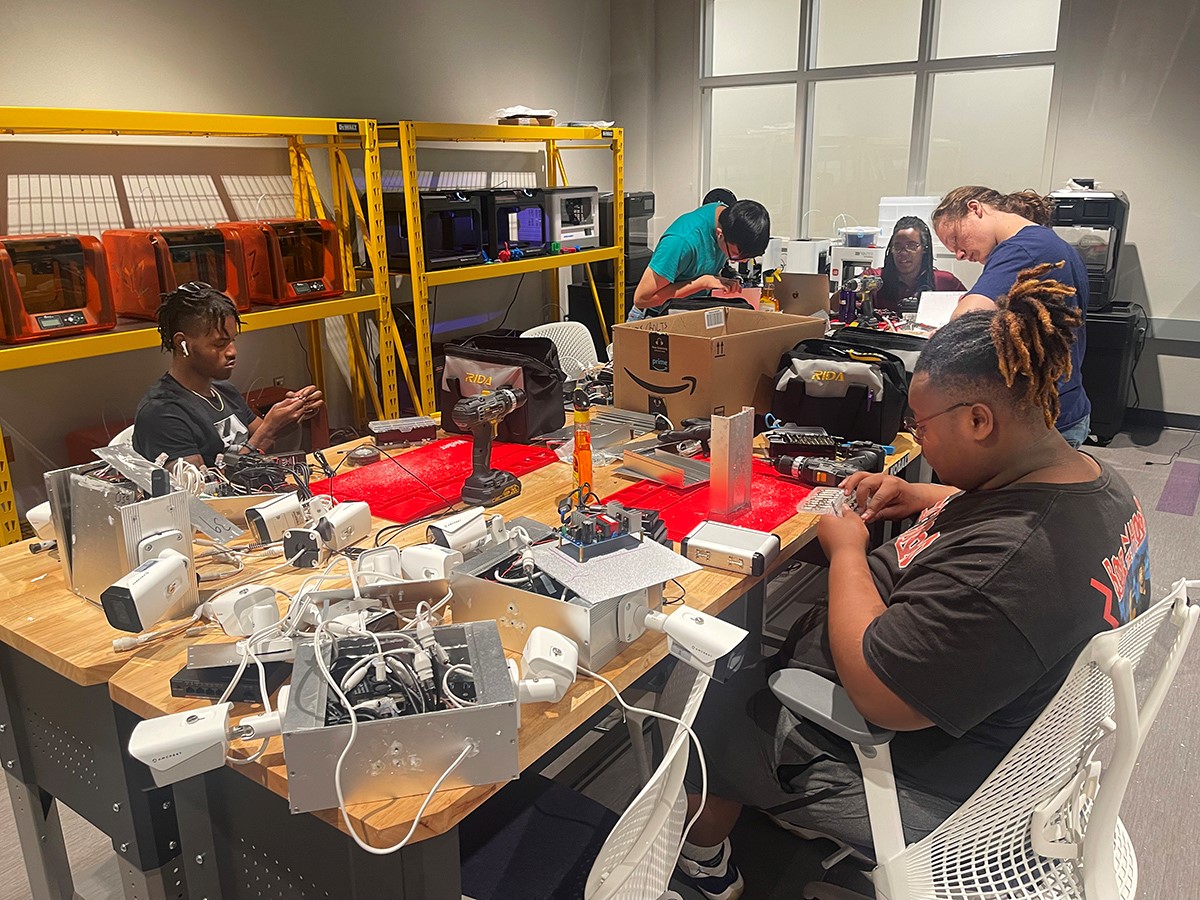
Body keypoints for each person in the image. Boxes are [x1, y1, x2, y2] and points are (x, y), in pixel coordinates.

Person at [675, 264, 1150, 900]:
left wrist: (846, 553)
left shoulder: (1010, 565)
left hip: (939, 782)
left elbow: (878, 696)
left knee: (720, 696)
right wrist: (920, 492)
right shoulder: (1092, 482)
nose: (916, 437)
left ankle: (706, 870)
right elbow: (1006, 510)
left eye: (922, 426)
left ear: (980, 421)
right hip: (1020, 734)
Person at [931, 185, 1091, 446]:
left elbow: (964, 320)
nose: (959, 255)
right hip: (1066, 404)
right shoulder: (1056, 244)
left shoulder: (1024, 247)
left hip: (1042, 419)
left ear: (975, 209)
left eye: (957, 240)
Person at [133, 282, 324, 467]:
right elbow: (197, 492)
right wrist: (268, 430)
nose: (232, 351)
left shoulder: (225, 392)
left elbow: (269, 444)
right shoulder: (161, 413)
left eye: (232, 341)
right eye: (219, 344)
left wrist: (293, 413)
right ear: (183, 343)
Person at [628, 198, 770, 320]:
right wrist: (701, 283)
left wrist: (719, 280)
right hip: (653, 316)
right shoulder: (681, 241)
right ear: (719, 234)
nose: (742, 261)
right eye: (735, 254)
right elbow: (642, 299)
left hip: (686, 311)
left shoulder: (726, 218)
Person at [833, 216, 966, 313]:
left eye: (912, 246)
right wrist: (852, 292)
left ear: (924, 249)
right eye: (898, 247)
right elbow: (833, 304)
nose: (904, 252)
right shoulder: (874, 278)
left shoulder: (945, 282)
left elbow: (974, 312)